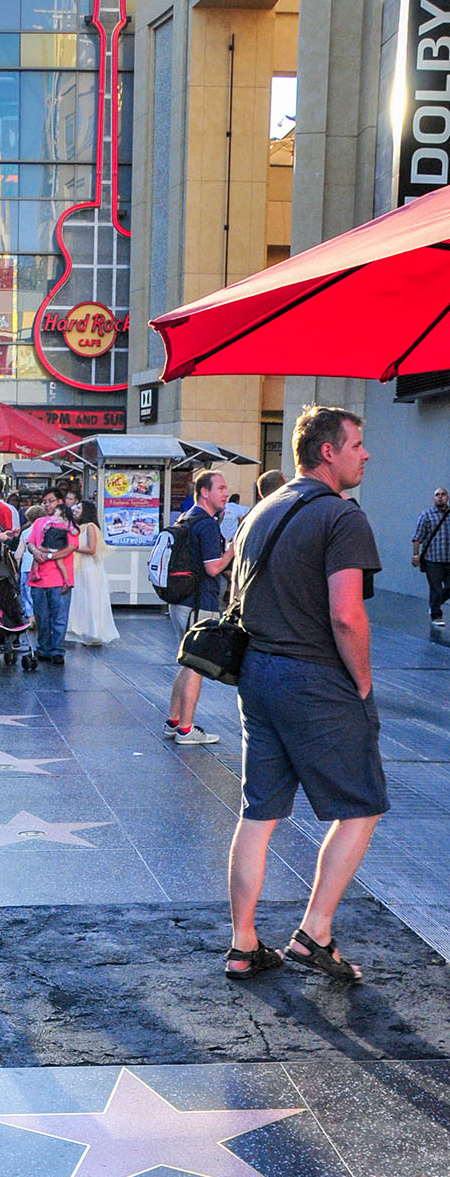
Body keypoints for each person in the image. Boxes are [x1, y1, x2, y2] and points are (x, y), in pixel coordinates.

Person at [225, 405, 387, 984]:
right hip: (315, 679)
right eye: (357, 444)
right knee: (362, 806)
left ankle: (243, 944)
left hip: (258, 673)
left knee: (258, 812)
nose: (365, 454)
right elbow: (347, 615)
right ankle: (314, 932)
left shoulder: (261, 511)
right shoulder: (343, 519)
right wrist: (363, 685)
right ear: (328, 452)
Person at [164, 469, 232, 745]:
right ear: (205, 492)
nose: (226, 493)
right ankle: (186, 729)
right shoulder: (206, 524)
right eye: (221, 488)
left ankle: (174, 720)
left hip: (180, 600)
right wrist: (232, 550)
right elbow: (213, 568)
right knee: (196, 665)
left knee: (186, 661)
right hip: (198, 603)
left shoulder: (187, 517)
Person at [26, 496, 79, 665]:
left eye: (51, 501)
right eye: (45, 502)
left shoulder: (67, 521)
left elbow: (71, 547)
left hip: (60, 579)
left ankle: (57, 650)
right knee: (42, 617)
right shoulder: (39, 522)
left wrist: (49, 556)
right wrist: (36, 552)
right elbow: (30, 543)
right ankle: (43, 648)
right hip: (39, 579)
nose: (47, 505)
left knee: (59, 617)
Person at [65, 499, 118, 646]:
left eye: (79, 507)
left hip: (88, 567)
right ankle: (81, 630)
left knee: (89, 598)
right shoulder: (79, 527)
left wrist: (72, 548)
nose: (75, 509)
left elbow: (91, 549)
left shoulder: (90, 527)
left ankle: (93, 632)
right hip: (80, 567)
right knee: (81, 599)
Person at [412, 484, 450, 626]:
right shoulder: (426, 515)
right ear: (433, 498)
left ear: (447, 497)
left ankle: (435, 604)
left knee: (447, 588)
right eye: (437, 495)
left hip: (448, 558)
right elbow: (417, 537)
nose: (440, 497)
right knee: (436, 588)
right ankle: (436, 615)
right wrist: (415, 555)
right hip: (432, 560)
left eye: (443, 494)